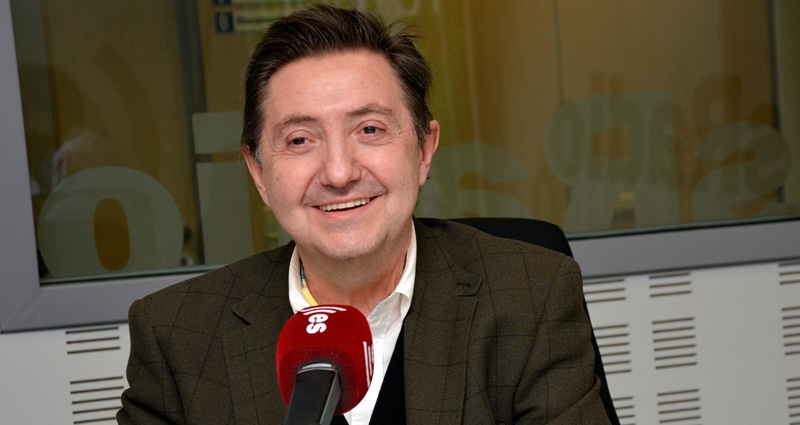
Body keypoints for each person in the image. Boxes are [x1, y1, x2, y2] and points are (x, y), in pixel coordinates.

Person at [118, 5, 610, 424]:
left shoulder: (531, 297)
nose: (338, 172)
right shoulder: (176, 336)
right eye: (300, 140)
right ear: (259, 172)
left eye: (370, 130)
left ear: (423, 150)